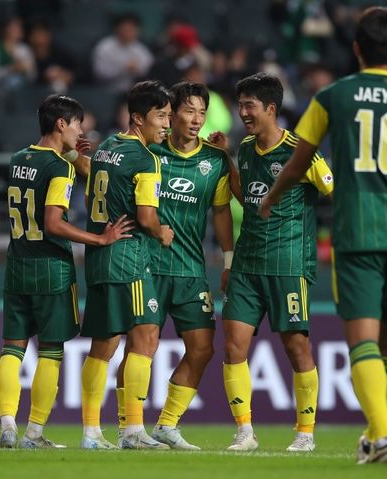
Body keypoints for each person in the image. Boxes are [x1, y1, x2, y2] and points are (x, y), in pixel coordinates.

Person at [259, 7, 387, 464]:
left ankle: (382, 437)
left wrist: (271, 196)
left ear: (356, 48)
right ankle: (376, 436)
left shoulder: (334, 96)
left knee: (362, 341)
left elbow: (299, 159)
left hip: (356, 232)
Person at [0, 94, 133, 449]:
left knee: (13, 348)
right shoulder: (60, 168)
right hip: (51, 268)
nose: (81, 129)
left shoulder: (18, 159)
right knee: (51, 351)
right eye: (77, 124)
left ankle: (7, 424)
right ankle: (34, 433)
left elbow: (77, 168)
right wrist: (98, 239)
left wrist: (74, 152)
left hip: (17, 263)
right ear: (61, 124)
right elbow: (54, 222)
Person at [221, 73, 334, 452]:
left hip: (287, 264)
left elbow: (334, 190)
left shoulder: (301, 152)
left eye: (249, 106)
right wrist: (227, 159)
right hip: (247, 264)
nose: (242, 113)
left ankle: (305, 433)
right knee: (234, 347)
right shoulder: (247, 148)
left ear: (271, 108)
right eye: (240, 106)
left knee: (296, 348)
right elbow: (246, 197)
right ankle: (244, 431)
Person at [79, 80, 174, 450]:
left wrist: (75, 157)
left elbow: (92, 181)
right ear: (138, 118)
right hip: (129, 257)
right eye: (161, 116)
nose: (166, 124)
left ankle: (91, 432)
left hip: (101, 258)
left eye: (168, 116)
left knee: (104, 344)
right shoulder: (144, 158)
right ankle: (132, 430)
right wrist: (162, 232)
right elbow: (147, 217)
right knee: (147, 336)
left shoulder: (106, 148)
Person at [142, 81, 234, 450]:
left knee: (202, 348)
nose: (196, 120)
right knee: (141, 347)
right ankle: (128, 428)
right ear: (171, 112)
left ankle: (167, 424)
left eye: (202, 113)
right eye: (188, 111)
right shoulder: (148, 152)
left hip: (191, 269)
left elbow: (223, 211)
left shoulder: (214, 160)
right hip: (146, 265)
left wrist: (228, 260)